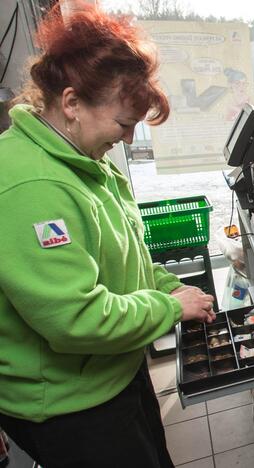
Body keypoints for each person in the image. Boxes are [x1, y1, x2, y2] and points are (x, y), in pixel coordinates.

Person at [0, 5, 216, 467]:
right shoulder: (33, 185)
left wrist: (164, 284)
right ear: (72, 102)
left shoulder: (85, 162)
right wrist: (169, 307)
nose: (127, 137)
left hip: (114, 369)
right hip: (71, 405)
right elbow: (75, 318)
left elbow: (125, 257)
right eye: (123, 124)